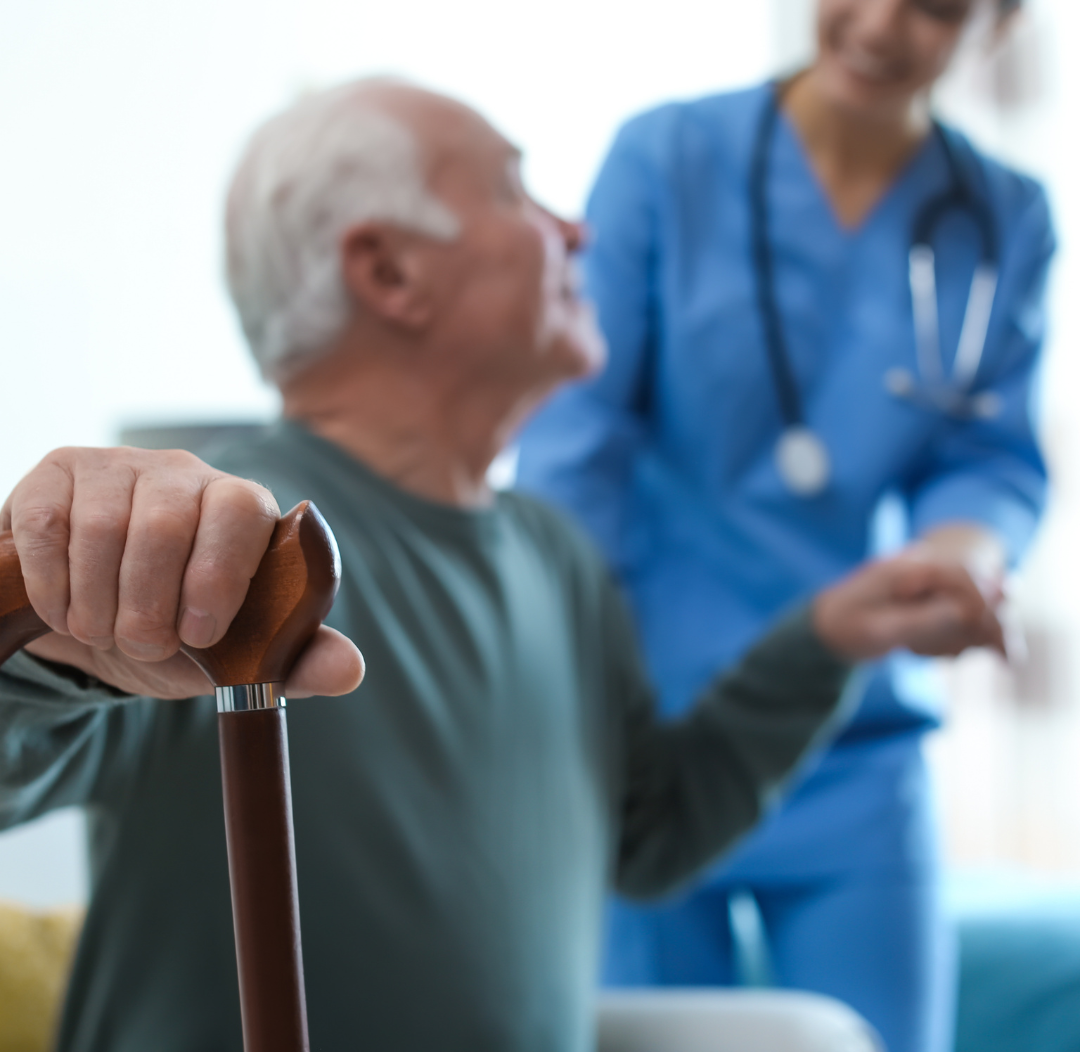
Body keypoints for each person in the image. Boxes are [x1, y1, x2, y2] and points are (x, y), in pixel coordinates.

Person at [0, 80, 1003, 1052]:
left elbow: (647, 835)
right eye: (516, 192)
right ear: (389, 272)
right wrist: (35, 618)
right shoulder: (220, 547)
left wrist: (824, 643)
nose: (579, 232)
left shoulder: (554, 556)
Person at [515, 0, 1052, 1050]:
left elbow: (989, 452)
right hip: (651, 732)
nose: (879, 23)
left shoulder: (1001, 214)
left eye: (938, 3)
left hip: (853, 738)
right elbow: (577, 447)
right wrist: (568, 687)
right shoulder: (668, 160)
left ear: (1001, 27)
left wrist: (960, 551)